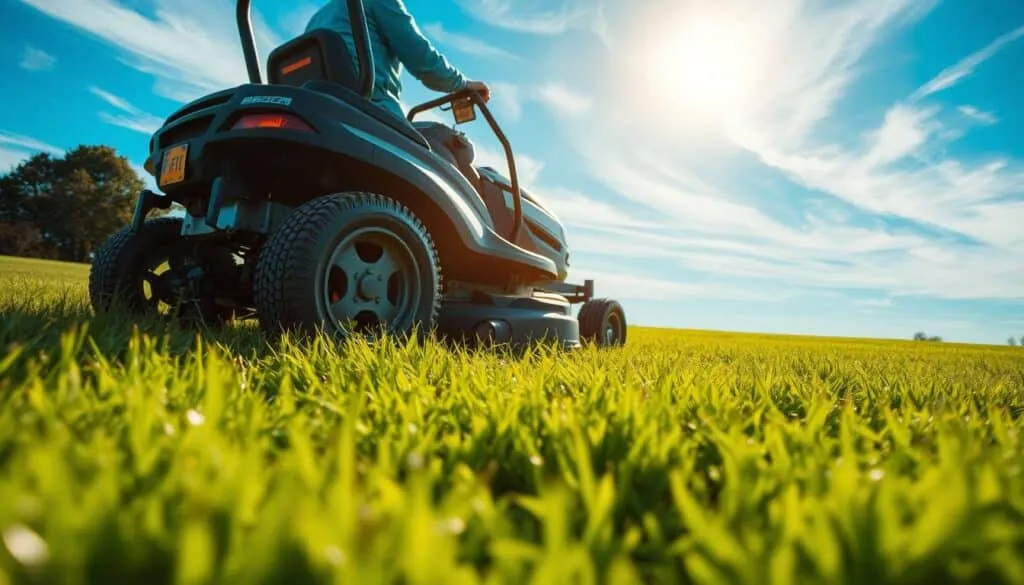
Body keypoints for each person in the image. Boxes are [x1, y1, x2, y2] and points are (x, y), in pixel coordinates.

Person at [306, 0, 491, 121]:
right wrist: (463, 83)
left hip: (319, 111)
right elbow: (424, 62)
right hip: (373, 110)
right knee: (438, 155)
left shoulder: (316, 18)